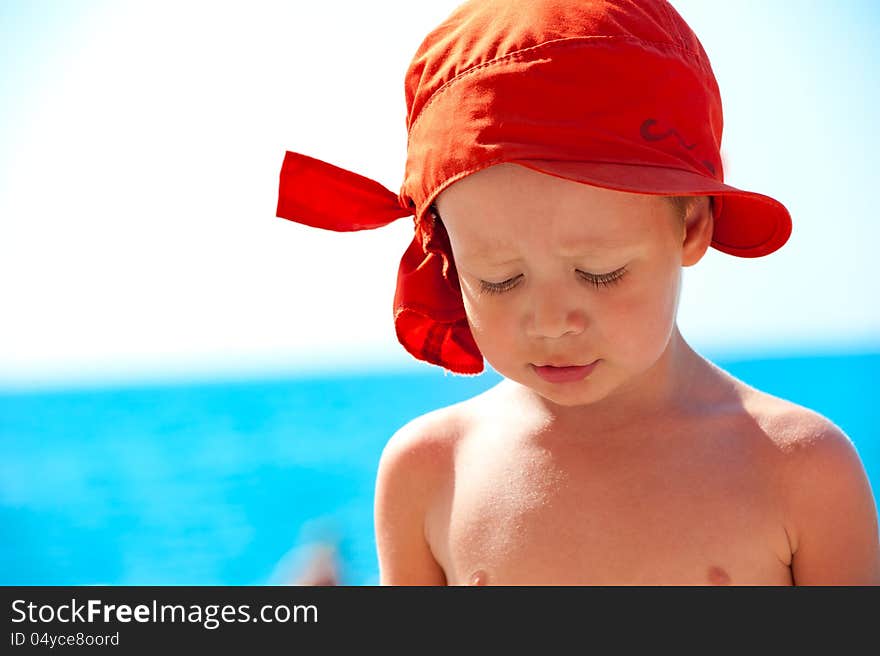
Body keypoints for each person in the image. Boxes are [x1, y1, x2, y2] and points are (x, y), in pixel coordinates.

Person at [275, 0, 880, 585]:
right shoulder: (430, 472)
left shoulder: (799, 469)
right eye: (498, 279)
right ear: (447, 255)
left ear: (693, 225)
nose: (550, 321)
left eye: (599, 273)